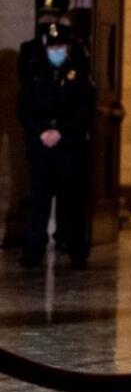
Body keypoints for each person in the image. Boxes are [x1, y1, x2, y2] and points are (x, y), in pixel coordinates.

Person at [16, 23, 95, 269]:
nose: (56, 51)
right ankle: (32, 250)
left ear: (68, 48)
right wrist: (41, 132)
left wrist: (60, 130)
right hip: (41, 146)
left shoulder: (79, 74)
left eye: (60, 46)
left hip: (68, 146)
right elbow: (24, 109)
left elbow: (84, 109)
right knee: (38, 200)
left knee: (71, 200)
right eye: (52, 47)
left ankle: (76, 251)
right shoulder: (35, 73)